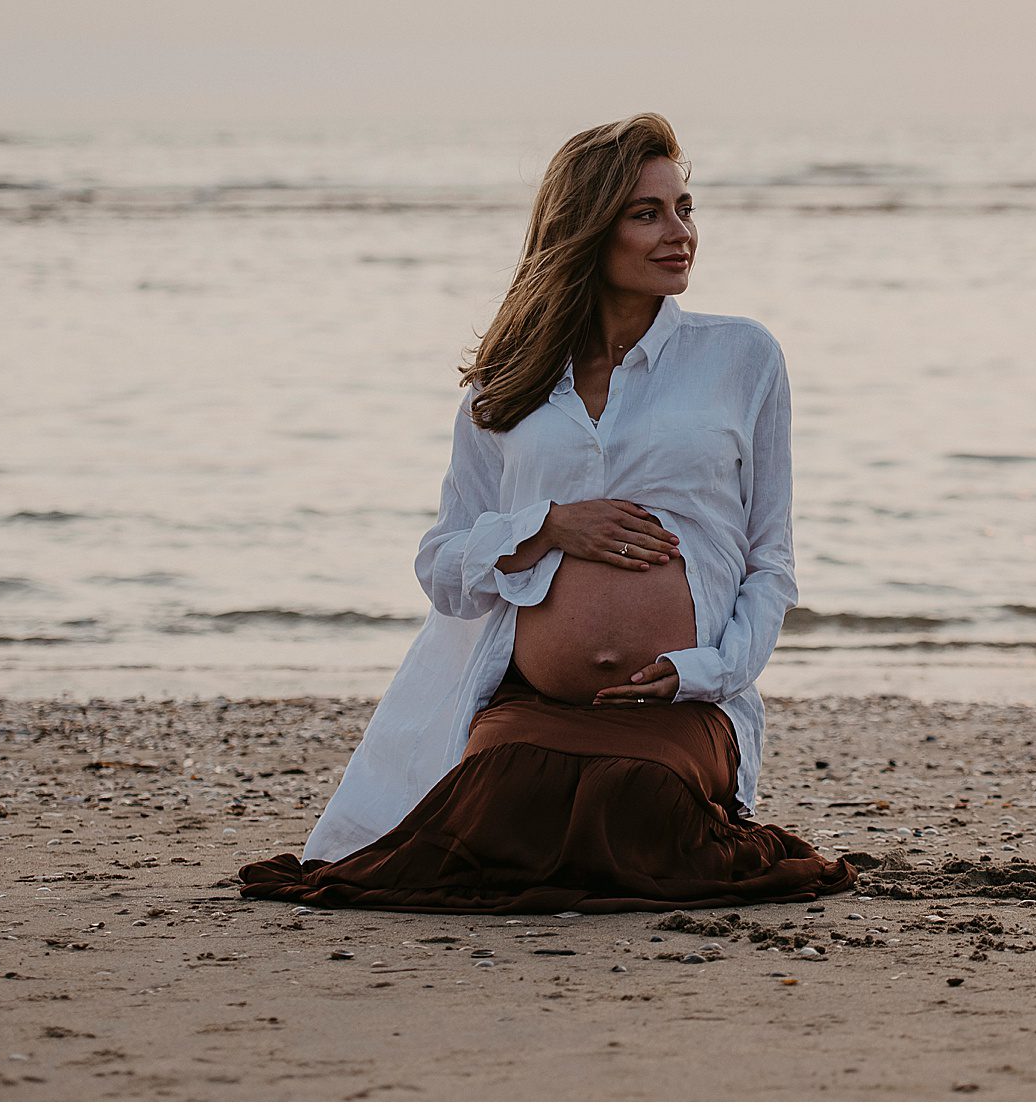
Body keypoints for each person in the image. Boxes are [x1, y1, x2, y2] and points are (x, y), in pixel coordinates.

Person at [239, 112, 857, 913]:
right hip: (533, 701)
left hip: (685, 701)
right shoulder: (507, 384)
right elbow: (442, 566)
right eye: (648, 213)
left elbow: (771, 561)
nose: (681, 233)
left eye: (685, 207)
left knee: (639, 806)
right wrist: (548, 526)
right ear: (587, 230)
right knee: (500, 806)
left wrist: (702, 671)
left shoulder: (742, 357)